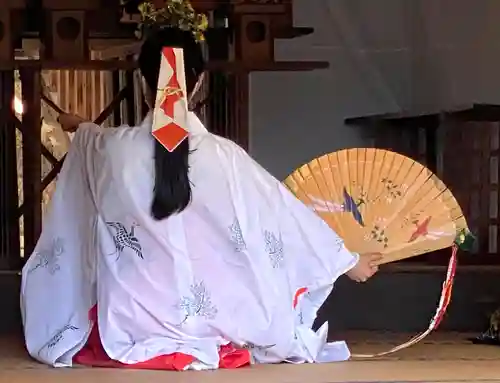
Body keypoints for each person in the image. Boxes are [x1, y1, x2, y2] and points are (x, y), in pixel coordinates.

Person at [20, 27, 381, 370]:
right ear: (198, 82)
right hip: (218, 322)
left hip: (133, 323)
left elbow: (93, 142)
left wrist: (81, 125)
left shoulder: (112, 150)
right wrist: (346, 261)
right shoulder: (225, 157)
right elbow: (282, 211)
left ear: (143, 82)